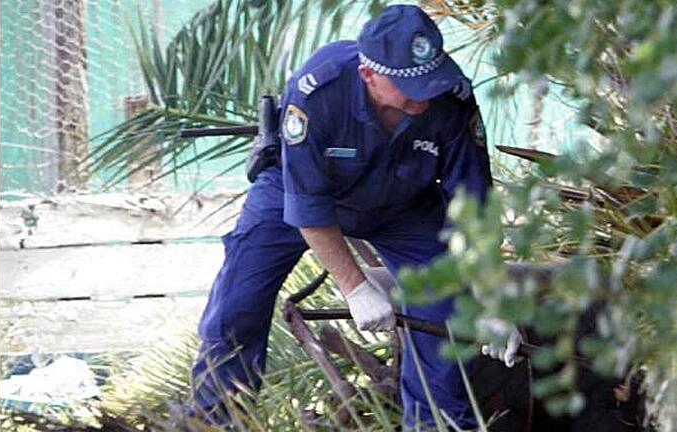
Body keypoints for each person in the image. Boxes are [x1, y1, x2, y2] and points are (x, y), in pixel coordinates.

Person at [191, 4, 494, 429]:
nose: (425, 96)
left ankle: (435, 425)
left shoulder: (451, 97)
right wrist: (355, 287)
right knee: (238, 301)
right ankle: (213, 421)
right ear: (368, 75)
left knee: (445, 310)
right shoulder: (319, 90)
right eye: (411, 86)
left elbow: (474, 204)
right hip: (296, 194)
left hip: (403, 205)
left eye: (431, 81)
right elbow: (308, 207)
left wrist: (494, 298)